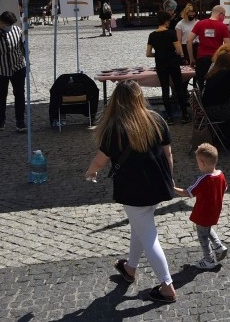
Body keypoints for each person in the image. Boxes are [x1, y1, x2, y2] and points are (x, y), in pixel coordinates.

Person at [83, 80, 178, 304]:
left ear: (117, 100)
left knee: (148, 235)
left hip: (133, 189)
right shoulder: (156, 119)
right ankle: (130, 269)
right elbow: (168, 154)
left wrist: (90, 173)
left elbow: (100, 161)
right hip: (157, 185)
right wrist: (169, 179)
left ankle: (167, 287)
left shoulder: (115, 127)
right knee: (140, 227)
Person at [174, 143, 229, 270]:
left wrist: (172, 188)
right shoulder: (220, 174)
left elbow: (188, 193)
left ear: (202, 163)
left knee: (202, 236)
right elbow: (225, 188)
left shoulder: (203, 179)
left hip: (203, 213)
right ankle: (219, 247)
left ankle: (208, 259)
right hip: (214, 211)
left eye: (197, 162)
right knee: (207, 229)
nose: (197, 164)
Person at [147, 11, 192, 125]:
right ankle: (185, 115)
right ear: (167, 21)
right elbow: (178, 50)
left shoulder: (152, 35)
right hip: (173, 63)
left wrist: (157, 54)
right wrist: (181, 55)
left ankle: (169, 117)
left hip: (161, 64)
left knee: (165, 89)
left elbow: (148, 53)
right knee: (179, 88)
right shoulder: (172, 33)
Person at [189, 5, 230, 90]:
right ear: (220, 14)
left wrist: (191, 58)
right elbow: (227, 46)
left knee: (201, 82)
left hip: (201, 58)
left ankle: (201, 101)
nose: (224, 18)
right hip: (216, 59)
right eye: (224, 16)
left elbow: (188, 40)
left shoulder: (200, 23)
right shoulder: (223, 26)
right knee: (215, 83)